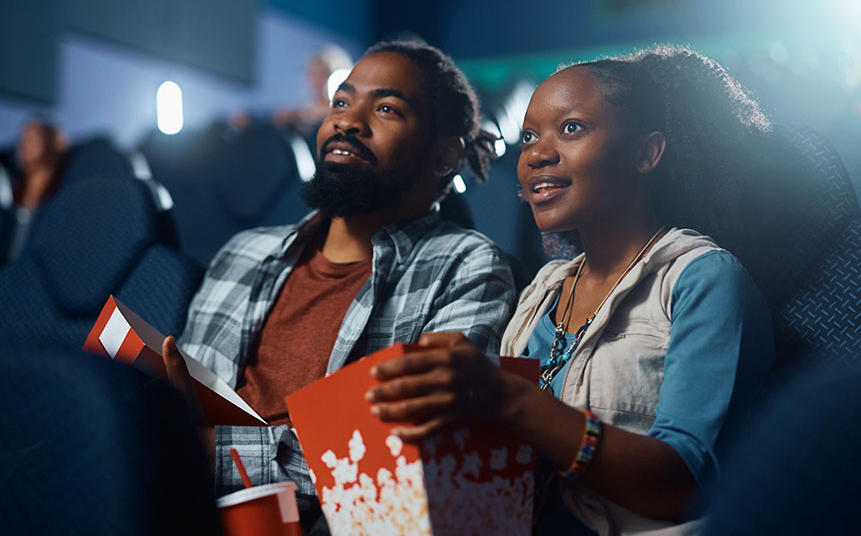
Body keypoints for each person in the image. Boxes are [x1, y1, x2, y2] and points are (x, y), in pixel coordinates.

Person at [366, 45, 776, 534]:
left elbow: (682, 485)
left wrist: (509, 399)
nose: (537, 154)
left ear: (646, 153)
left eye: (572, 128)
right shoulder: (543, 289)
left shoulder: (701, 277)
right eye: (529, 136)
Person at [162, 40, 517, 528]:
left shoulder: (468, 269)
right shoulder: (242, 252)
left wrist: (210, 452)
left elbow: (407, 460)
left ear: (443, 155)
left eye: (387, 108)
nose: (347, 122)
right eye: (342, 102)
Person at [3, 120, 69, 263]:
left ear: (48, 145)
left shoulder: (58, 195)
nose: (23, 146)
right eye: (22, 140)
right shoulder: (13, 191)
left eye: (32, 140)